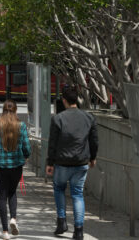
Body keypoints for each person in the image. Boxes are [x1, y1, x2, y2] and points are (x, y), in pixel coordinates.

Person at [46, 84, 98, 240]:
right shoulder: (89, 118)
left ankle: (61, 222)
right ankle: (79, 230)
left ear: (64, 100)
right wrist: (93, 157)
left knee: (59, 188)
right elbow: (94, 141)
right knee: (77, 194)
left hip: (62, 162)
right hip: (81, 162)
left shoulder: (58, 118)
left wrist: (50, 162)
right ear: (77, 99)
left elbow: (52, 143)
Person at [0, 100, 31, 239]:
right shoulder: (21, 125)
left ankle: (5, 232)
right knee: (12, 193)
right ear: (16, 111)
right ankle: (13, 218)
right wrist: (26, 156)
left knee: (2, 196)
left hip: (0, 166)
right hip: (16, 166)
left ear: (3, 110)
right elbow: (26, 146)